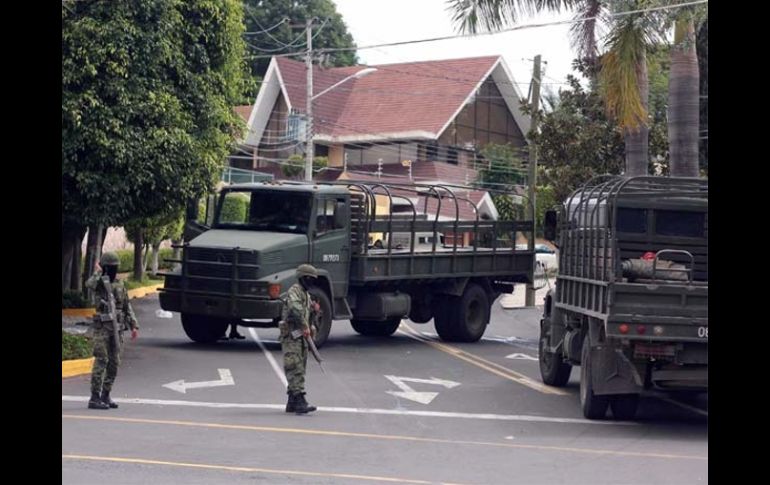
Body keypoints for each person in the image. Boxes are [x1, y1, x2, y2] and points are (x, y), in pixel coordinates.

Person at [85, 251, 139, 410]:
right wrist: (99, 271)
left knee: (114, 363)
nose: (114, 270)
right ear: (106, 267)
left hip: (117, 329)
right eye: (111, 267)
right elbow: (89, 284)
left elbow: (127, 305)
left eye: (116, 267)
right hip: (103, 329)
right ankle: (94, 398)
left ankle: (105, 395)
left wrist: (133, 324)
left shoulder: (120, 284)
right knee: (102, 360)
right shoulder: (100, 282)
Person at [279, 264, 321, 414]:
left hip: (300, 338)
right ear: (304, 278)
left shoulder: (305, 294)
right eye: (310, 279)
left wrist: (314, 310)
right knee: (294, 367)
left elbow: (307, 312)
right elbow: (295, 310)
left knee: (300, 367)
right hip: (292, 336)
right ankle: (299, 400)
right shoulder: (294, 292)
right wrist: (304, 326)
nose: (312, 283)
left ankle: (292, 401)